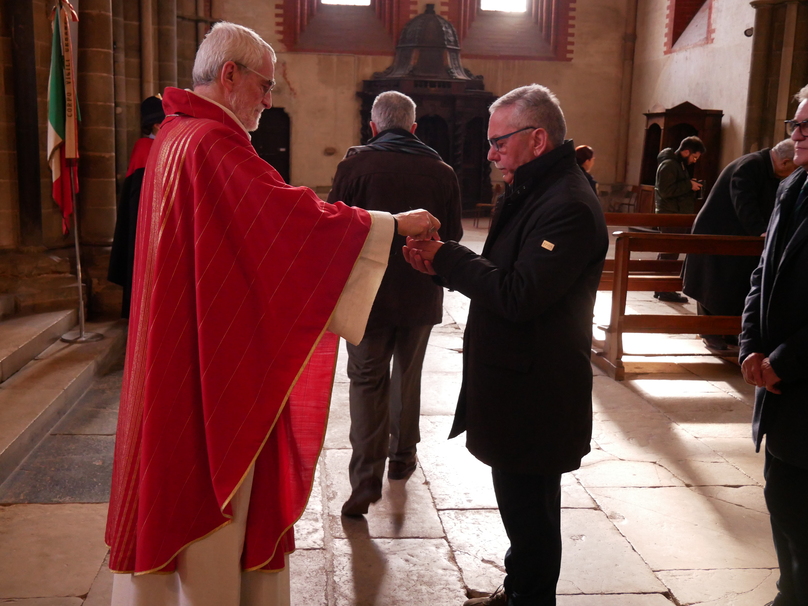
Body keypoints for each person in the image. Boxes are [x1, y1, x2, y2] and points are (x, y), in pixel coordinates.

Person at [105, 22, 439, 606]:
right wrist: (392, 223)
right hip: (212, 362)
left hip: (182, 341)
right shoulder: (212, 143)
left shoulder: (174, 135)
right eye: (265, 85)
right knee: (209, 483)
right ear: (229, 75)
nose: (268, 99)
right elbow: (290, 222)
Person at [404, 84, 608, 606]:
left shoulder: (567, 204)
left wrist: (448, 258)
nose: (491, 154)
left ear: (538, 139)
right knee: (521, 508)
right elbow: (500, 272)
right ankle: (519, 590)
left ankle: (530, 599)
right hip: (517, 379)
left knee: (532, 514)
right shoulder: (534, 189)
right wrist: (441, 265)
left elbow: (519, 295)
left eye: (499, 142)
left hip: (538, 387)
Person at [327, 91, 464, 516]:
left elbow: (334, 229)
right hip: (420, 291)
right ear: (414, 128)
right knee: (408, 374)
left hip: (366, 296)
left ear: (373, 126)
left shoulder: (354, 167)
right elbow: (453, 236)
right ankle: (402, 458)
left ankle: (365, 481)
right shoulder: (442, 171)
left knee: (366, 380)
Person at [741, 83, 808, 606]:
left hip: (800, 376)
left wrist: (782, 361)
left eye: (807, 126)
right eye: (795, 123)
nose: (796, 133)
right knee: (781, 496)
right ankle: (789, 593)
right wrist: (749, 346)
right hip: (777, 384)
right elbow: (762, 273)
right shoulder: (792, 186)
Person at [683, 139, 796, 352]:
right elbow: (744, 202)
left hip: (735, 236)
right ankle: (710, 332)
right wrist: (761, 231)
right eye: (794, 168)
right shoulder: (751, 165)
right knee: (713, 284)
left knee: (734, 286)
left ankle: (729, 331)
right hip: (715, 234)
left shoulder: (766, 168)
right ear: (785, 162)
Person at [107, 95, 165, 318]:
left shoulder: (159, 146)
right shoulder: (144, 148)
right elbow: (139, 199)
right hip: (147, 228)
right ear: (157, 124)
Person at [653, 135, 706, 303]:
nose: (695, 161)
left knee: (669, 252)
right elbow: (665, 191)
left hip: (675, 213)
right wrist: (689, 185)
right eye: (694, 157)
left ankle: (661, 288)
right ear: (686, 151)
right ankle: (665, 289)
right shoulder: (669, 165)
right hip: (670, 214)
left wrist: (689, 183)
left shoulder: (677, 164)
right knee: (669, 252)